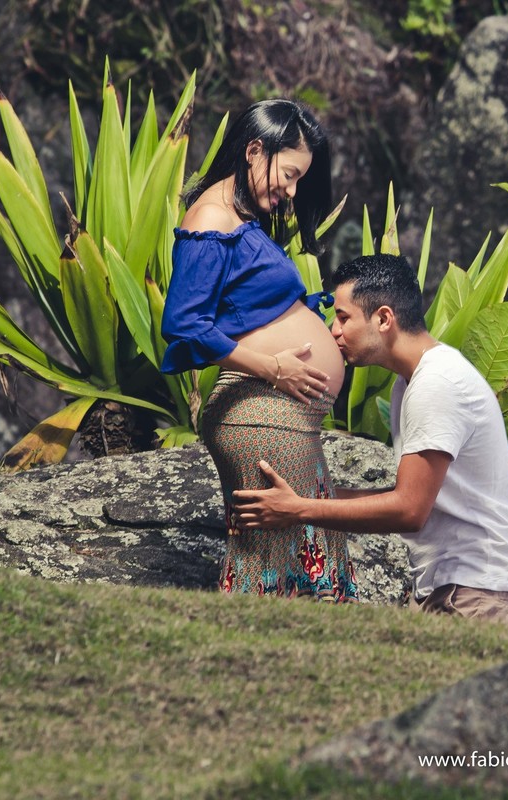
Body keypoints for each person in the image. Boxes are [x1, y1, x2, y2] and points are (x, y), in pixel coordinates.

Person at [231, 254, 508, 623]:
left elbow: (409, 510)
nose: (334, 331)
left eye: (343, 317)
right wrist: (300, 499)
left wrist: (298, 510)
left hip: (475, 596)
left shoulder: (437, 384)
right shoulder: (411, 382)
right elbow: (409, 496)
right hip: (452, 589)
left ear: (384, 318)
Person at [161, 98, 358, 603]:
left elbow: (251, 306)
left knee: (303, 546)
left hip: (279, 411)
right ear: (254, 150)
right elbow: (184, 324)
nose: (291, 191)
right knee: (275, 559)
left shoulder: (236, 218)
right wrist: (274, 367)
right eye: (289, 175)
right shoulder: (210, 218)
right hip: (260, 408)